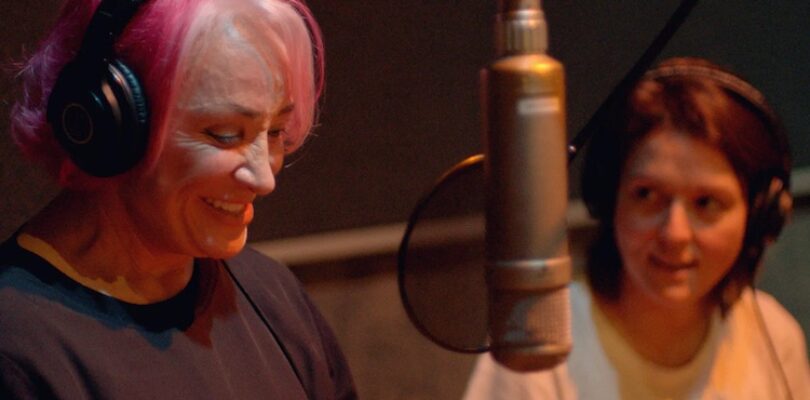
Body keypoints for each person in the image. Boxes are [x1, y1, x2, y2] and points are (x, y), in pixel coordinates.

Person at [0, 0, 357, 398]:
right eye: (225, 134)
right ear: (111, 126)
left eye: (274, 132)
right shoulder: (16, 352)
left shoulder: (273, 296)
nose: (263, 178)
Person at [463, 57, 810, 399]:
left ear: (759, 214)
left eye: (706, 203)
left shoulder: (776, 339)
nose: (674, 234)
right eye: (646, 195)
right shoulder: (538, 343)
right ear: (610, 197)